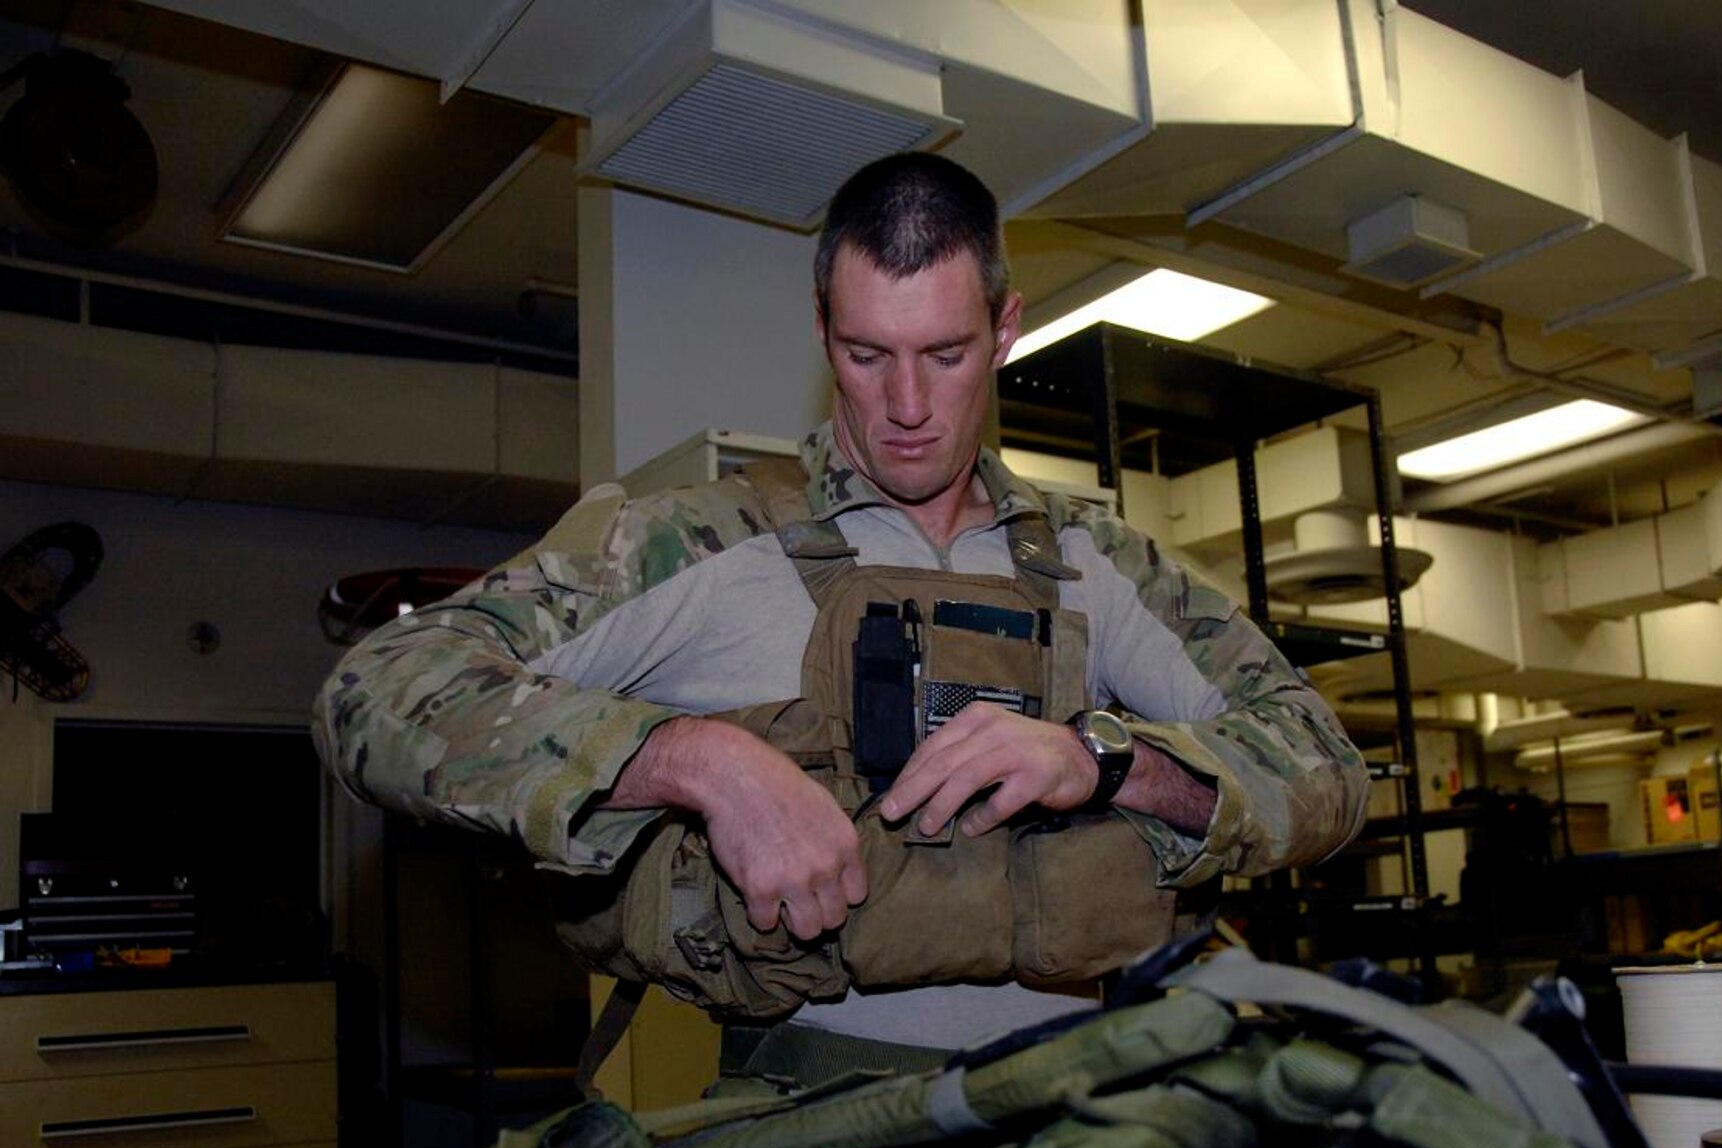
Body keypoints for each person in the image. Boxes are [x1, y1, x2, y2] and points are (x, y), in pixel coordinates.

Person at [313, 152, 1370, 1081]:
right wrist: (692, 761)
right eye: (867, 356)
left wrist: (1102, 760)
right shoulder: (700, 541)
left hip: (1067, 1128)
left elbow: (1327, 771)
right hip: (804, 1136)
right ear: (822, 332)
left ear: (1004, 329)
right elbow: (378, 692)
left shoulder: (1100, 565)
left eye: (945, 355)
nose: (906, 408)